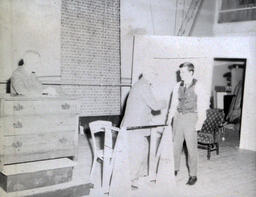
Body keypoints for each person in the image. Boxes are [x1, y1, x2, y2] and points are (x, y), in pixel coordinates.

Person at [121, 71, 166, 187]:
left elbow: (142, 106)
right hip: (134, 127)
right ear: (149, 75)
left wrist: (149, 118)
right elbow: (154, 105)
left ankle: (137, 176)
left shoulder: (138, 85)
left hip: (133, 125)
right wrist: (165, 102)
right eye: (155, 75)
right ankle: (131, 180)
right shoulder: (144, 85)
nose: (155, 78)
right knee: (138, 151)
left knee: (144, 147)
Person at [167, 62, 209, 185]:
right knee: (175, 145)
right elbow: (173, 104)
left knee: (191, 148)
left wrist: (200, 122)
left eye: (183, 72)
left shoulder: (199, 85)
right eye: (180, 72)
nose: (181, 74)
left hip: (191, 118)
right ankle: (174, 169)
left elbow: (203, 105)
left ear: (191, 72)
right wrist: (169, 119)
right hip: (178, 118)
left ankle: (193, 175)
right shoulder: (177, 86)